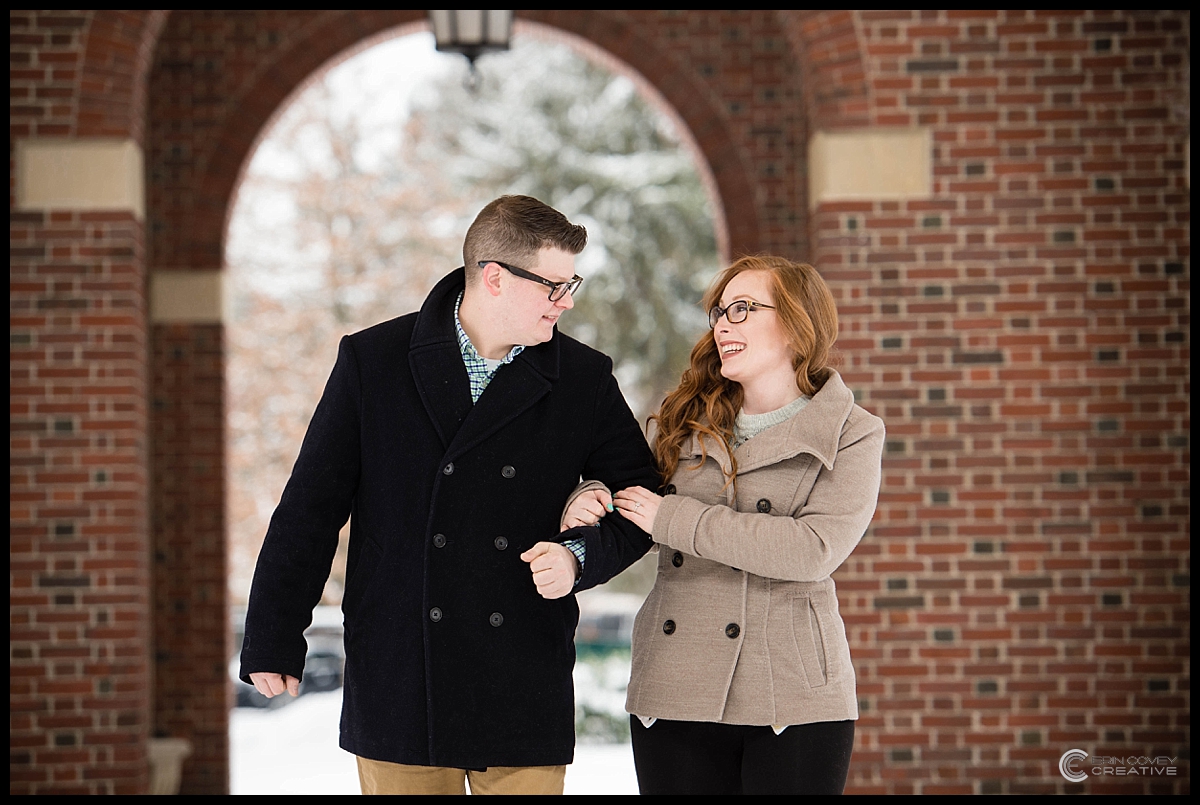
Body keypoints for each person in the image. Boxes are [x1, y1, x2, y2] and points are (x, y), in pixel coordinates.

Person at [238, 195, 659, 795]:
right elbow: (311, 507)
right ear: (494, 278)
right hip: (402, 670)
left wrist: (580, 556)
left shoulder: (583, 377)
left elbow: (641, 495)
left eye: (572, 285)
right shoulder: (374, 360)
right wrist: (275, 635)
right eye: (554, 287)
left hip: (520, 669)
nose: (567, 302)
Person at [563, 254, 884, 794]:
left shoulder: (851, 432)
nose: (721, 325)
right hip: (676, 681)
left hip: (791, 689)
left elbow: (812, 549)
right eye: (718, 312)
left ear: (796, 323)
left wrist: (677, 519)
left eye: (742, 309)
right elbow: (628, 493)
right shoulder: (682, 418)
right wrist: (587, 496)